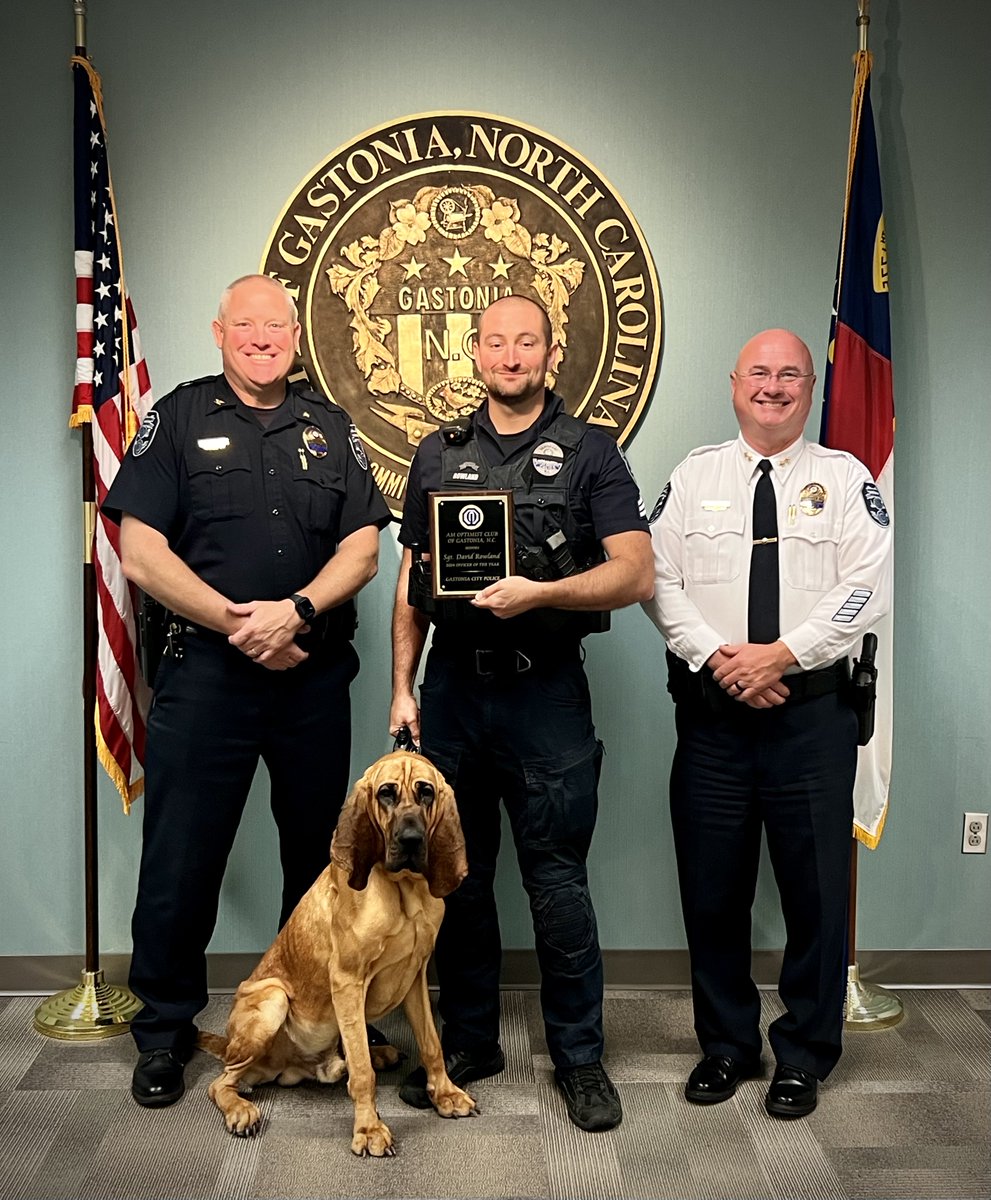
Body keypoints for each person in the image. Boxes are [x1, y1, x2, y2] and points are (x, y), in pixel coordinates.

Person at [102, 274, 392, 1109]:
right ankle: (162, 1034)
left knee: (322, 867)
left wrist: (295, 611)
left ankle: (317, 1025)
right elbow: (142, 551)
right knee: (181, 861)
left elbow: (363, 549)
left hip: (311, 680)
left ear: (294, 338)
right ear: (219, 330)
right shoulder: (179, 419)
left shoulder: (330, 429)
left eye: (277, 326)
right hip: (207, 680)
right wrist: (242, 624)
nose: (262, 338)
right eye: (246, 325)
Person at [389, 294, 653, 1132]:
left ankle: (578, 1059)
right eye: (495, 342)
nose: (510, 355)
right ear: (475, 352)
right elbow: (412, 584)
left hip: (545, 694)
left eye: (526, 342)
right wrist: (403, 686)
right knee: (454, 883)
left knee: (557, 884)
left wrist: (542, 592)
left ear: (549, 353)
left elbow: (634, 573)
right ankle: (471, 1041)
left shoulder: (591, 455)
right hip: (454, 695)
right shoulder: (437, 453)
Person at [643, 328, 892, 1119]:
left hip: (809, 719)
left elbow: (865, 588)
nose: (773, 386)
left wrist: (780, 654)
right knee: (711, 891)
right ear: (733, 382)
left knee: (815, 894)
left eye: (790, 375)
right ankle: (724, 1046)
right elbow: (656, 577)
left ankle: (803, 1055)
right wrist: (721, 657)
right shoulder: (694, 475)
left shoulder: (845, 478)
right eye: (759, 372)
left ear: (810, 388)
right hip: (714, 718)